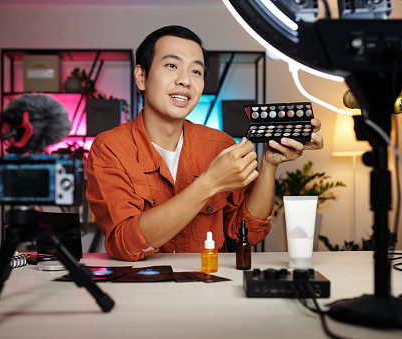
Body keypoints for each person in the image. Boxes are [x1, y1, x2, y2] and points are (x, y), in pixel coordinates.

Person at [86, 25, 323, 261]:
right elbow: (126, 244)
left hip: (209, 282)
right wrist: (209, 183)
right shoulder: (110, 148)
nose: (185, 81)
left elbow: (248, 232)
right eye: (171, 65)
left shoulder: (219, 144)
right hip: (143, 288)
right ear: (141, 77)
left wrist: (269, 164)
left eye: (196, 72)